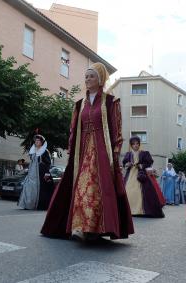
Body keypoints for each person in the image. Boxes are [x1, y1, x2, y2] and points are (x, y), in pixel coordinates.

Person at [41, 62, 134, 241]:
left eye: (91, 76)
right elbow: (73, 130)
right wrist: (71, 151)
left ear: (100, 79)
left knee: (97, 188)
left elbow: (117, 129)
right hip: (83, 150)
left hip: (102, 150)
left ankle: (96, 228)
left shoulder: (110, 101)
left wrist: (115, 152)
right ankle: (80, 226)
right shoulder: (79, 105)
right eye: (86, 76)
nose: (87, 79)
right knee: (80, 186)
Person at [122, 136, 164, 218]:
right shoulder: (128, 154)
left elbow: (149, 162)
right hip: (130, 174)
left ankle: (141, 210)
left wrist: (142, 165)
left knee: (143, 192)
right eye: (133, 144)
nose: (135, 145)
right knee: (129, 191)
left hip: (141, 175)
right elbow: (124, 163)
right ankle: (129, 210)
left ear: (139, 144)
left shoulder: (144, 153)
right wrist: (127, 164)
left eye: (137, 143)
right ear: (131, 145)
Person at [18, 135, 54, 210]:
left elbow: (48, 163)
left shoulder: (45, 151)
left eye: (38, 141)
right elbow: (32, 161)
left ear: (41, 142)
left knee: (40, 189)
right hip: (32, 172)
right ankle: (28, 204)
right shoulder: (33, 150)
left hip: (41, 173)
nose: (36, 142)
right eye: (36, 141)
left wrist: (46, 174)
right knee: (28, 187)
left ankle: (39, 205)